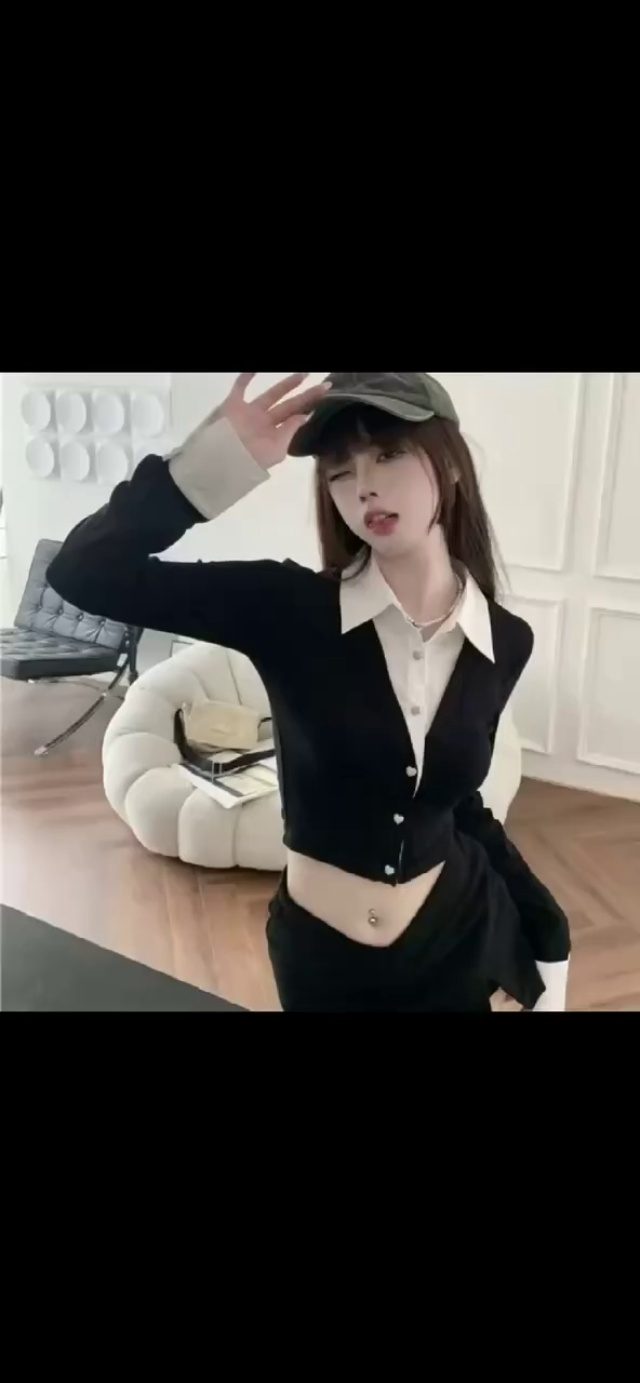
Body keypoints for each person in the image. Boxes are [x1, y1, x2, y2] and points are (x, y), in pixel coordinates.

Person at [47, 371, 571, 1013]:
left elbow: (460, 806)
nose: (364, 485)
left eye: (389, 453)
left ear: (453, 464)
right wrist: (209, 466)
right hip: (323, 961)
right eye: (339, 471)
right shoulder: (288, 607)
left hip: (457, 942)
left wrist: (548, 929)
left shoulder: (504, 641)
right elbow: (84, 573)